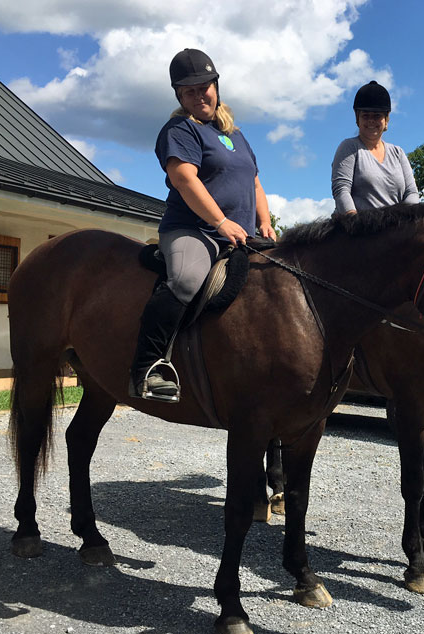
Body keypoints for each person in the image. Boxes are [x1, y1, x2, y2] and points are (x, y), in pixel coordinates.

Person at [129, 47, 276, 401]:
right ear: (180, 96)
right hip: (194, 231)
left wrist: (265, 222)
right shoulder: (179, 130)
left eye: (203, 87)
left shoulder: (236, 135)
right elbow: (184, 179)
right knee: (186, 278)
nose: (199, 95)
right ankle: (147, 367)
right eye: (189, 91)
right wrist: (221, 221)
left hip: (241, 236)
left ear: (216, 86)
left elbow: (254, 182)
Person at [331, 80, 419, 215]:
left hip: (396, 228)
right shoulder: (348, 148)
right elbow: (341, 190)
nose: (371, 120)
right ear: (357, 118)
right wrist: (355, 223)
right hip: (356, 228)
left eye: (377, 115)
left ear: (386, 119)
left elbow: (411, 192)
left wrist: (405, 220)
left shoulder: (398, 153)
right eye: (366, 115)